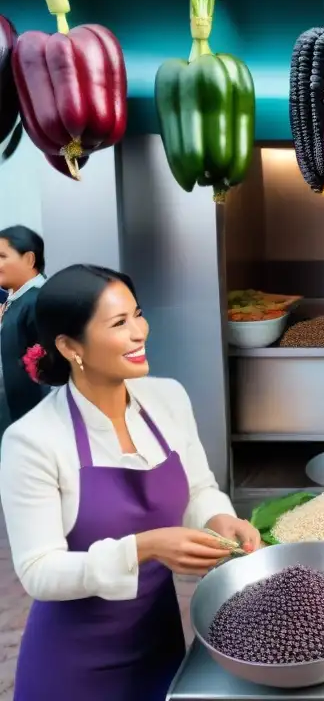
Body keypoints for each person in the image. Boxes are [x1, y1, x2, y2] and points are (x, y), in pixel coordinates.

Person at [0, 263, 261, 701]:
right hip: (73, 664)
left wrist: (219, 519)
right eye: (119, 323)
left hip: (158, 643)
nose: (141, 331)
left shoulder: (169, 398)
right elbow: (39, 572)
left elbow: (198, 488)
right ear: (68, 346)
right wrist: (147, 547)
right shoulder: (32, 440)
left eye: (137, 314)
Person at [0, 225, 47, 439]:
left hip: (32, 418)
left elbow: (49, 370)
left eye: (2, 256)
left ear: (29, 259)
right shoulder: (15, 299)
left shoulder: (37, 300)